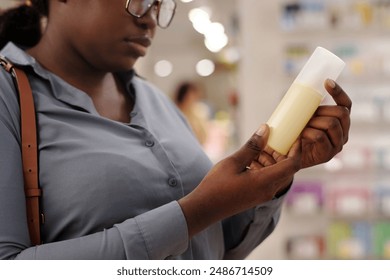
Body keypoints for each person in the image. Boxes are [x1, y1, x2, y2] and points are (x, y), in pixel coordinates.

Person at [0, 0, 351, 260]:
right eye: (138, 2)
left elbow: (221, 248)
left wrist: (273, 176)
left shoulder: (152, 99)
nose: (151, 21)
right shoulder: (9, 95)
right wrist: (198, 211)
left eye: (160, 5)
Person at [173, 81, 210, 145]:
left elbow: (203, 135)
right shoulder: (175, 113)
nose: (195, 98)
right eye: (192, 96)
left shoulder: (197, 112)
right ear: (183, 96)